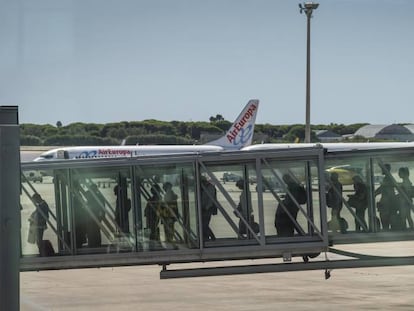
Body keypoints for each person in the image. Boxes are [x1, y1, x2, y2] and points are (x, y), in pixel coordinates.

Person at [375, 163, 397, 230]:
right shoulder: (388, 177)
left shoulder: (388, 178)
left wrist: (374, 193)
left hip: (387, 203)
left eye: (382, 169)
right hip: (388, 202)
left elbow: (383, 188)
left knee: (385, 221)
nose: (381, 170)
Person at [200, 176, 217, 241]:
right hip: (203, 208)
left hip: (207, 209)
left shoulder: (210, 187)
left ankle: (212, 237)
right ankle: (205, 237)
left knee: (204, 224)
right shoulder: (203, 187)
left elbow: (211, 200)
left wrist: (206, 208)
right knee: (203, 224)